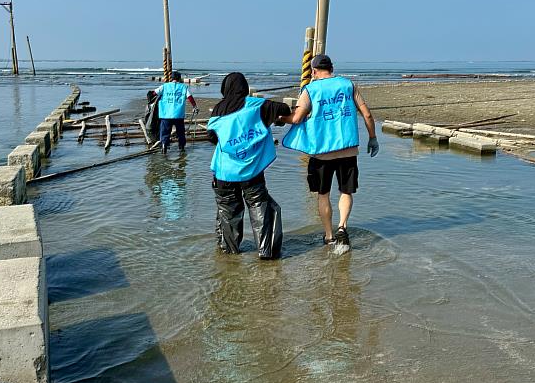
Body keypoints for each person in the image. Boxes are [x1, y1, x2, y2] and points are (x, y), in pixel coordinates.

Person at [281, 54, 379, 254]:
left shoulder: (310, 89)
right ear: (331, 68)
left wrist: (278, 116)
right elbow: (367, 114)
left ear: (314, 71)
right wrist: (372, 138)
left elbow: (297, 118)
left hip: (321, 153)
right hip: (348, 149)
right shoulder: (348, 85)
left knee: (323, 194)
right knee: (346, 191)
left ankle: (329, 236)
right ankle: (342, 226)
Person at [206, 72, 292, 259]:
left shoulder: (218, 110)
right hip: (251, 172)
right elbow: (284, 108)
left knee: (228, 215)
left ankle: (230, 255)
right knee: (259, 209)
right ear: (244, 88)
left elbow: (211, 137)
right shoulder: (256, 105)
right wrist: (270, 119)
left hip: (224, 173)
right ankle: (266, 252)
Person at [154, 71, 198, 152]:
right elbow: (190, 97)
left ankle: (164, 147)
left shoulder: (164, 86)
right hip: (178, 114)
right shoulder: (183, 87)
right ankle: (181, 148)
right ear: (179, 78)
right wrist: (194, 106)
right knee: (180, 132)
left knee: (165, 132)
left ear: (171, 78)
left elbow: (154, 93)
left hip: (166, 114)